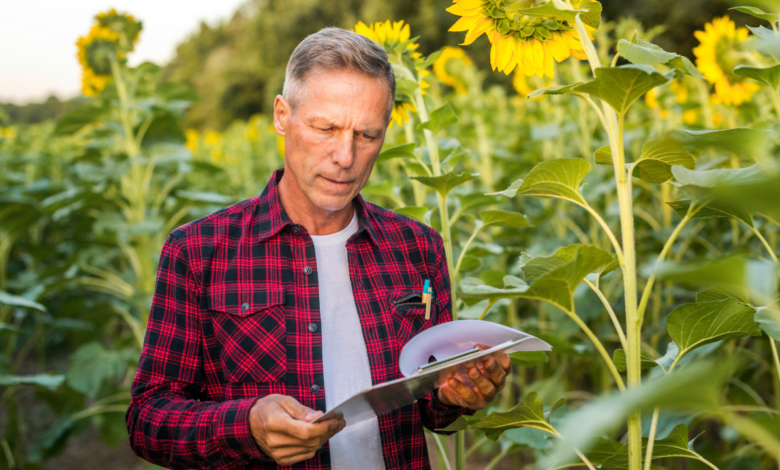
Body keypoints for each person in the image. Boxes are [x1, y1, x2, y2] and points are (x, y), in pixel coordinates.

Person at [126, 27, 511, 470]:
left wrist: (460, 392)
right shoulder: (199, 252)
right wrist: (247, 424)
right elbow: (147, 419)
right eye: (324, 127)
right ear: (282, 116)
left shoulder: (417, 247)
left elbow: (431, 405)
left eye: (366, 135)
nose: (345, 156)